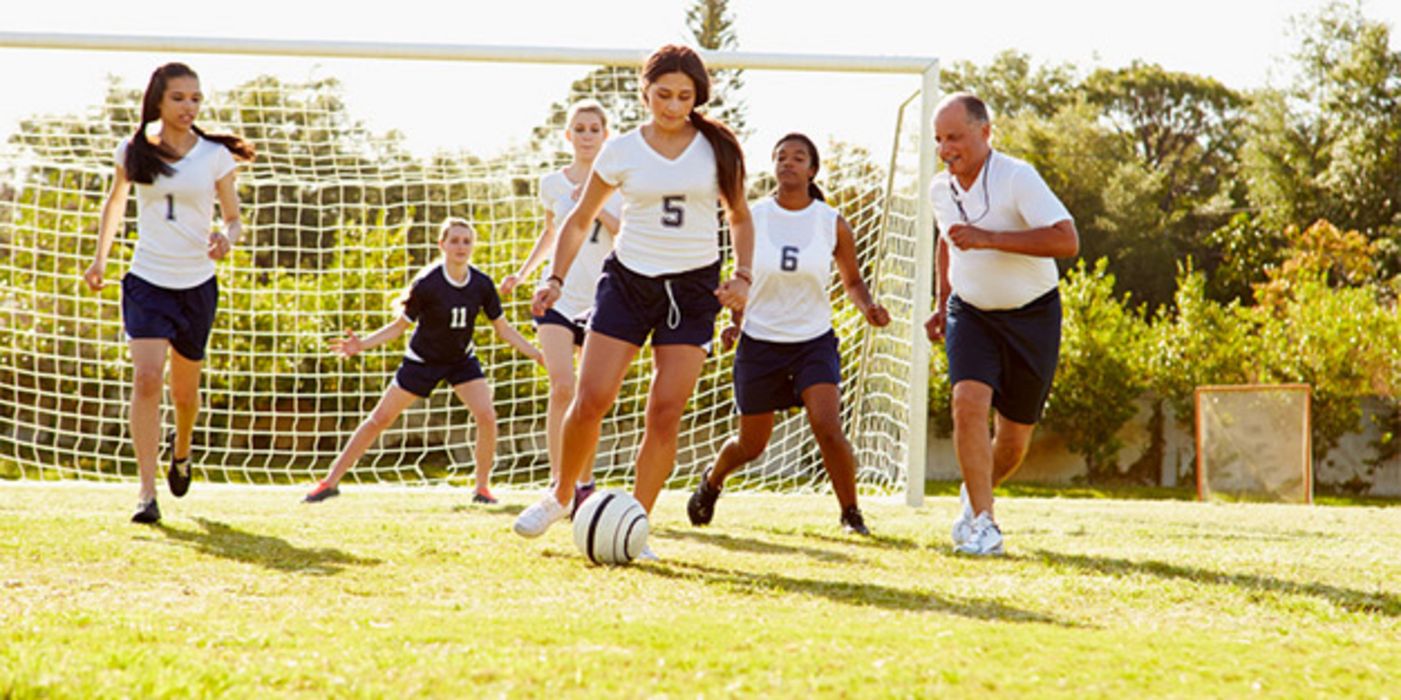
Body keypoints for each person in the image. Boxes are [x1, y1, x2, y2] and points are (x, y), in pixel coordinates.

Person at [513, 44, 754, 558]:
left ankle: (636, 525)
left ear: (698, 97)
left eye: (684, 96)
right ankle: (560, 494)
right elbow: (579, 219)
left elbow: (740, 217)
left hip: (692, 291)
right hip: (628, 282)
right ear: (645, 92)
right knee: (591, 396)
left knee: (665, 413)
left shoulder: (719, 149)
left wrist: (744, 278)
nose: (672, 106)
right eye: (662, 94)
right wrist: (554, 278)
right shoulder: (620, 150)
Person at [687, 133, 891, 535]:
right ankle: (712, 481)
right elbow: (741, 276)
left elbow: (852, 281)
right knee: (752, 445)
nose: (788, 162)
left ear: (812, 169)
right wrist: (734, 322)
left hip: (813, 341)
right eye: (781, 156)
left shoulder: (831, 222)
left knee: (827, 426)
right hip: (760, 342)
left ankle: (851, 514)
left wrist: (868, 307)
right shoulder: (752, 217)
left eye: (798, 157)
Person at [84, 62, 254, 524]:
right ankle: (145, 491)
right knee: (146, 379)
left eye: (196, 98)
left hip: (196, 285)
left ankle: (182, 452)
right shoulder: (133, 150)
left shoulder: (214, 156)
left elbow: (235, 218)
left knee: (184, 393)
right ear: (158, 99)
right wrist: (100, 258)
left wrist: (227, 238)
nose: (189, 106)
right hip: (146, 282)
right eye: (179, 97)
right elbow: (115, 203)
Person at [923, 93, 1079, 556]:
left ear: (985, 132)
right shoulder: (939, 189)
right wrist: (942, 300)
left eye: (955, 136)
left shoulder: (1018, 177)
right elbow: (949, 243)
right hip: (969, 314)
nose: (946, 148)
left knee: (1012, 441)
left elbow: (1066, 240)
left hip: (1033, 316)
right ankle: (986, 526)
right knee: (967, 402)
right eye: (938, 139)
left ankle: (973, 499)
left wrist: (989, 238)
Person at [304, 218, 544, 504]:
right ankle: (329, 482)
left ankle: (482, 488)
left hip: (460, 360)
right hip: (423, 360)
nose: (460, 246)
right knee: (380, 419)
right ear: (441, 245)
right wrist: (361, 345)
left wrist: (539, 354)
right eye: (454, 240)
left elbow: (503, 329)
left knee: (487, 416)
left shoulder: (481, 284)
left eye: (466, 241)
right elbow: (398, 327)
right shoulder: (428, 284)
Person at [499, 100, 622, 510]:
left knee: (590, 396)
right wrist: (522, 271)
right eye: (579, 129)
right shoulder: (552, 184)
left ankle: (583, 481)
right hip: (559, 296)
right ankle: (558, 486)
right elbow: (551, 233)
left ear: (605, 136)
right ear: (568, 136)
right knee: (562, 387)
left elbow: (624, 234)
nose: (587, 136)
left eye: (594, 129)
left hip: (601, 301)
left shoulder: (619, 186)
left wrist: (595, 205)